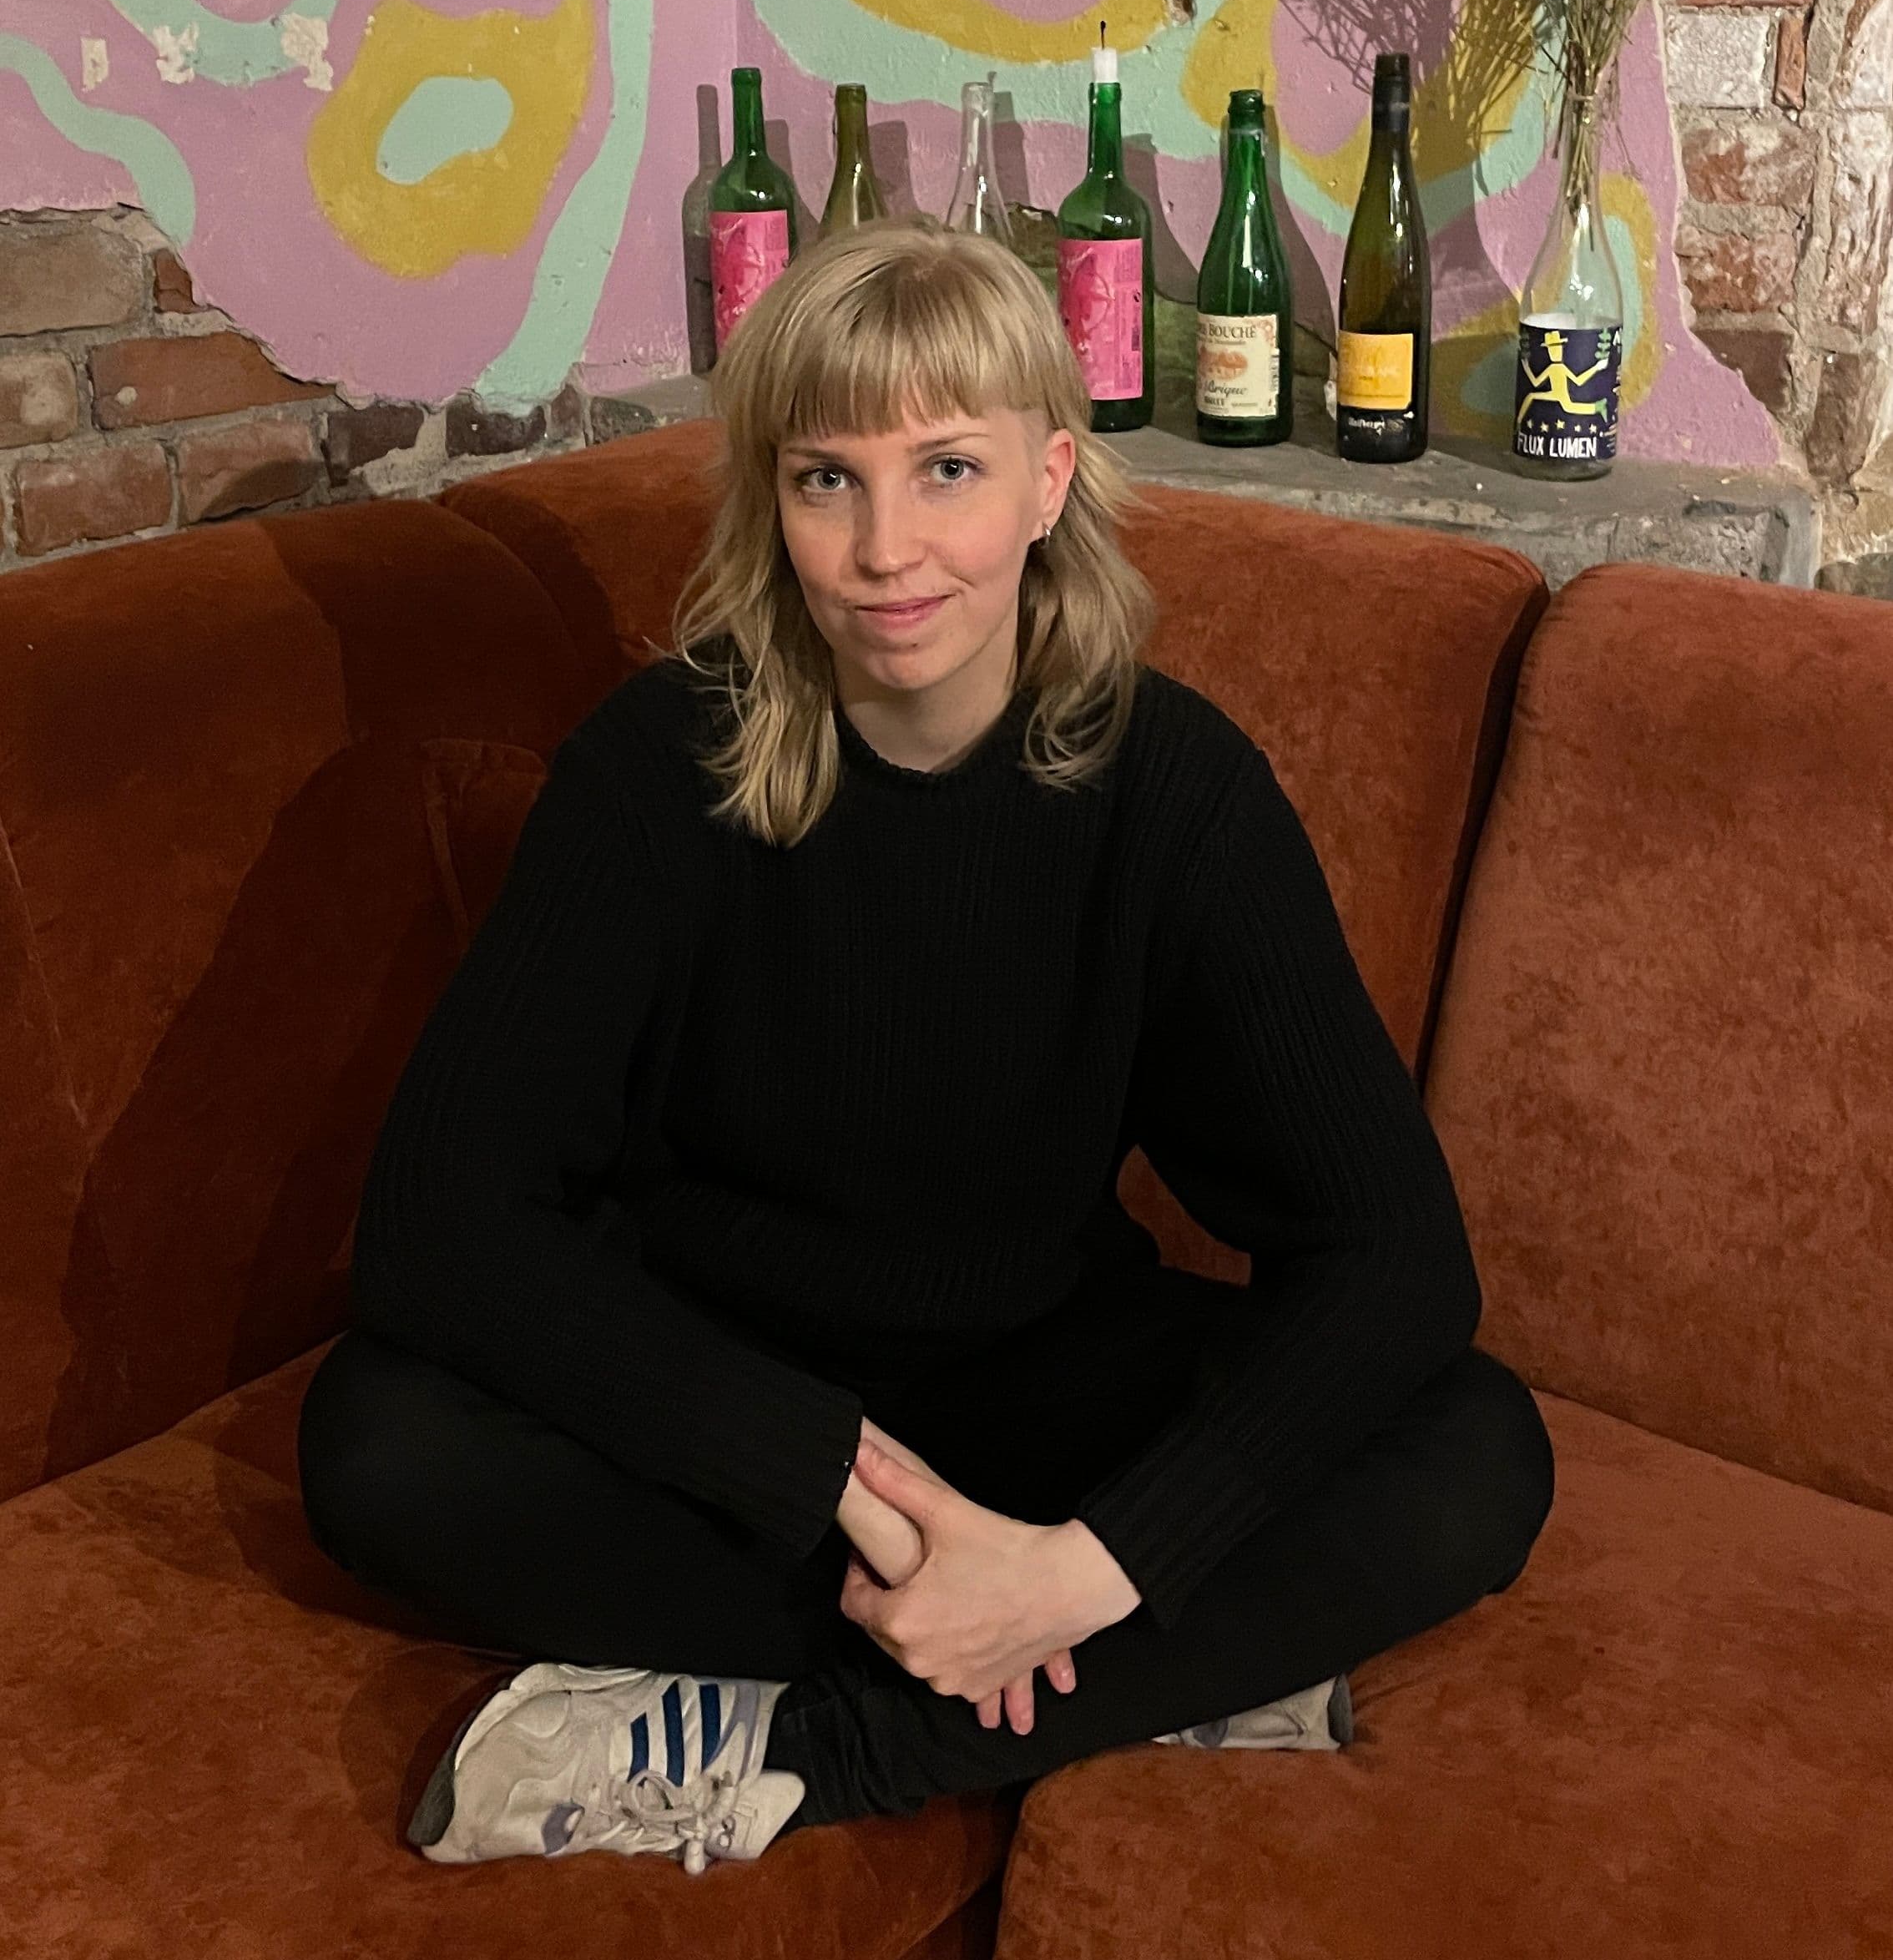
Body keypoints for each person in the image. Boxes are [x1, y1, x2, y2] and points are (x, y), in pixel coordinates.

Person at [300, 222, 1552, 1875]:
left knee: (1475, 1448)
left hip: (1044, 1386)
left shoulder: (1177, 793)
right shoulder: (657, 770)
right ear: (772, 501)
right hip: (743, 1416)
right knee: (376, 1445)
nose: (887, 551)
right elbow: (439, 1225)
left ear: (1048, 481)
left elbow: (1396, 1261)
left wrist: (1088, 1569)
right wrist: (821, 1466)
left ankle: (834, 1750)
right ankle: (1150, 1678)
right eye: (828, 480)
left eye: (947, 469)